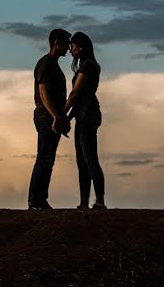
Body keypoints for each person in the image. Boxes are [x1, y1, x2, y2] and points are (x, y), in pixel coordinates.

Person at [27, 28, 71, 210]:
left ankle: (40, 200)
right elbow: (43, 93)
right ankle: (35, 200)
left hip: (52, 117)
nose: (68, 48)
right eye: (66, 43)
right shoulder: (45, 63)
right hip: (46, 117)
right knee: (44, 157)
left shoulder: (53, 64)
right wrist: (56, 116)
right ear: (57, 43)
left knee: (48, 158)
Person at [64, 31, 106, 210]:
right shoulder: (88, 65)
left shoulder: (88, 66)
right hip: (84, 113)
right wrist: (67, 117)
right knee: (83, 159)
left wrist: (61, 116)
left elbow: (75, 94)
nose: (70, 49)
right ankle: (85, 201)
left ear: (80, 47)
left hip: (87, 114)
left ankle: (99, 201)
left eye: (72, 45)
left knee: (89, 158)